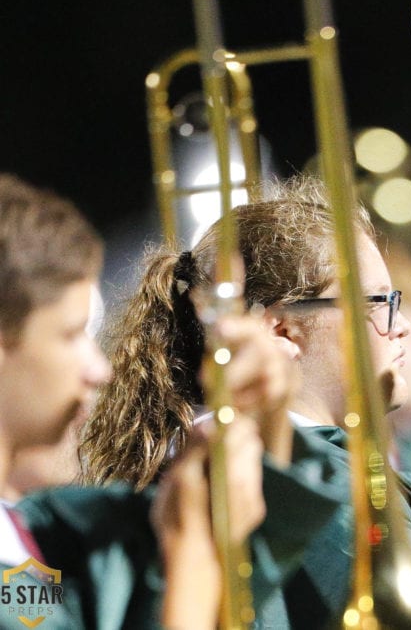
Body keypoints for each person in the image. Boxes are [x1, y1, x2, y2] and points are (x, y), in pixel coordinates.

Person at [80, 175, 411, 628]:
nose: (400, 328)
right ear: (284, 328)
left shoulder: (313, 468)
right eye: (381, 302)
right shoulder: (293, 479)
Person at [0, 173, 341, 628]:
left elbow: (254, 556)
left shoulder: (50, 525)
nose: (97, 370)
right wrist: (191, 559)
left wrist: (268, 417)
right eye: (69, 334)